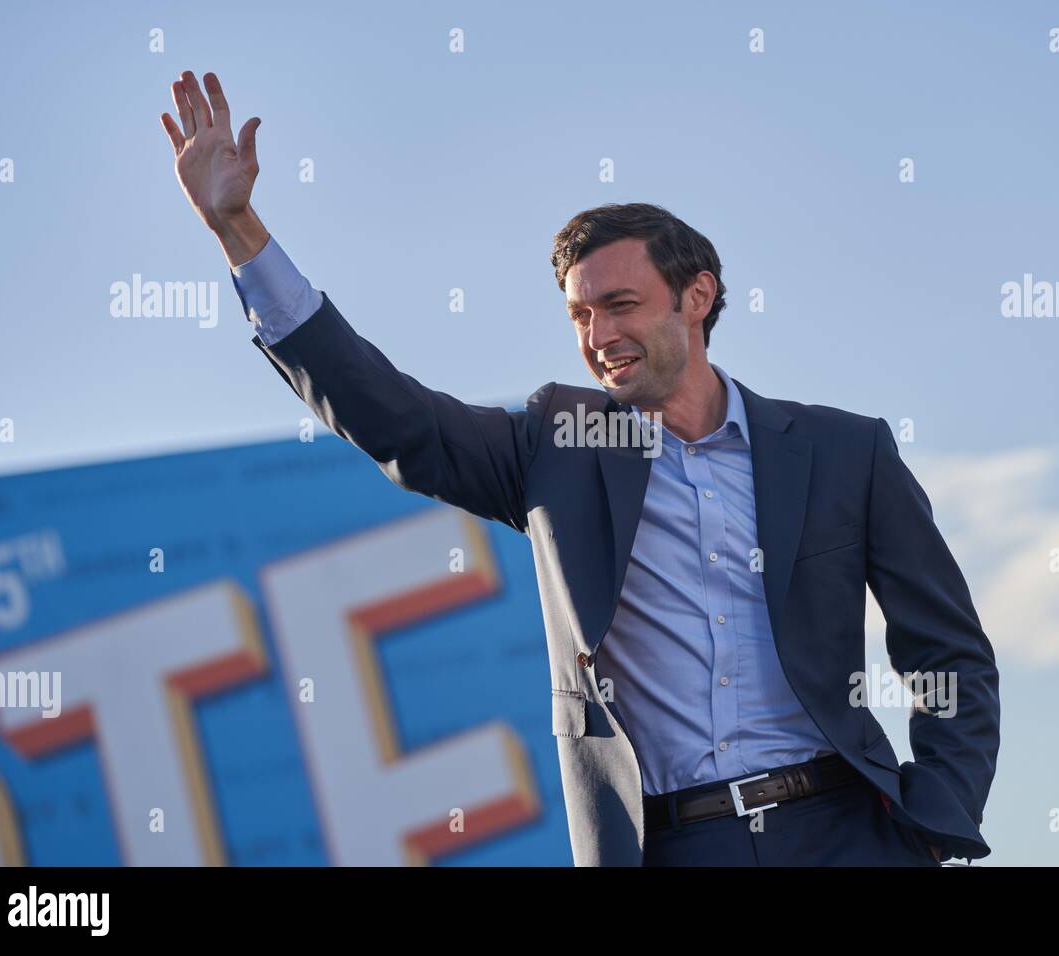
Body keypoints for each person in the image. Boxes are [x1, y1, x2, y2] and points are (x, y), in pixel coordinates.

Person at [161, 70, 1000, 866]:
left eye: (620, 306)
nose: (598, 337)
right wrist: (242, 233)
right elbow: (395, 419)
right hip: (669, 846)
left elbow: (948, 654)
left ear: (697, 297)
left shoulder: (845, 451)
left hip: (848, 833)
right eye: (580, 315)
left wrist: (932, 826)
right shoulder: (554, 446)